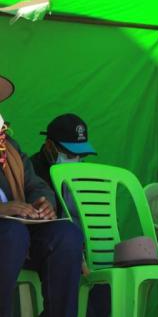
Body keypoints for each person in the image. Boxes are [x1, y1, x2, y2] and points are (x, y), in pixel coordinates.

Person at [0, 75, 84, 317]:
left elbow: (34, 183)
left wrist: (45, 202)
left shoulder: (9, 146)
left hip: (20, 230)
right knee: (11, 233)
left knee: (67, 234)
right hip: (9, 233)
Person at [28, 113, 110, 317]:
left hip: (83, 252)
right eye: (70, 154)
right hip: (43, 250)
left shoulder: (86, 176)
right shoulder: (31, 173)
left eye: (81, 156)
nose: (77, 161)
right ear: (49, 147)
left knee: (107, 280)